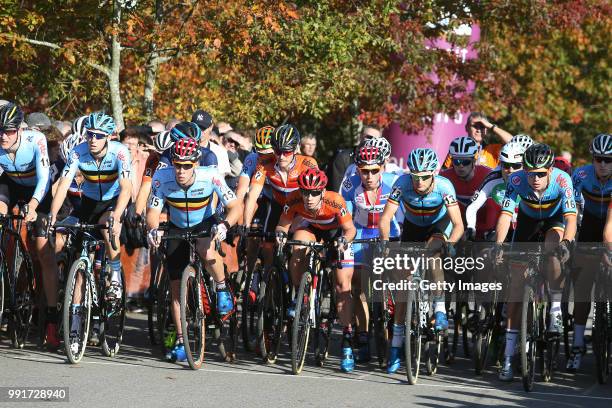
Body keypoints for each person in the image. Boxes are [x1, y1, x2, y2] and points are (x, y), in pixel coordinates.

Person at [146, 138, 241, 362]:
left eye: (186, 166)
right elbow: (152, 211)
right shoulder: (162, 177)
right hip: (176, 225)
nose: (181, 170)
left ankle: (220, 287)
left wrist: (225, 225)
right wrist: (153, 229)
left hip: (204, 222)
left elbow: (235, 206)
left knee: (206, 251)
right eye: (177, 164)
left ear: (196, 164)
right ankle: (181, 339)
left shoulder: (211, 175)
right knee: (176, 285)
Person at [50, 112, 132, 355]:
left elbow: (127, 188)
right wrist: (53, 215)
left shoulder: (120, 152)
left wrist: (117, 215)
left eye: (98, 136)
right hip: (88, 203)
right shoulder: (79, 152)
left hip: (112, 203)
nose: (93, 139)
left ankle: (114, 275)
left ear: (108, 137)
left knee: (108, 227)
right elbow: (64, 185)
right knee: (80, 266)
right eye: (89, 135)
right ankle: (74, 328)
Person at [494, 143, 577, 381]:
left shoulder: (562, 181)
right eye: (531, 173)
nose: (536, 178)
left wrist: (567, 243)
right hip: (528, 224)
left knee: (554, 249)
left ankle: (555, 310)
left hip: (554, 221)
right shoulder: (517, 181)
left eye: (541, 174)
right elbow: (505, 216)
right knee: (515, 290)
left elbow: (571, 218)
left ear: (550, 170)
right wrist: (499, 245)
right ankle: (509, 357)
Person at [379, 148, 463, 374]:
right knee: (403, 286)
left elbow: (458, 224)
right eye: (415, 176)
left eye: (425, 177)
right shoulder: (402, 183)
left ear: (433, 175)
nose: (419, 181)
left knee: (434, 253)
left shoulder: (445, 187)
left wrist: (451, 243)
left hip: (439, 225)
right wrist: (386, 243)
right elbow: (386, 217)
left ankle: (440, 308)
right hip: (413, 227)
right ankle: (396, 345)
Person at [275, 168, 357, 371]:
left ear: (322, 191)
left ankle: (347, 340)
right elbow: (282, 225)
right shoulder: (294, 199)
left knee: (342, 285)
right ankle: (300, 295)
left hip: (336, 233)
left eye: (314, 193)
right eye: (305, 192)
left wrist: (344, 242)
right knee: (297, 245)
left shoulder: (335, 200)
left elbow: (350, 229)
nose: (309, 197)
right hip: (311, 228)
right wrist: (280, 235)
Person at [0, 102, 59, 349]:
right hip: (9, 185)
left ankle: (52, 322)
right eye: (0, 130)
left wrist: (34, 206)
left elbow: (45, 178)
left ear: (20, 130)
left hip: (38, 190)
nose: (3, 135)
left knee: (43, 251)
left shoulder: (36, 140)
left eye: (9, 131)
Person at [340, 145, 401, 363]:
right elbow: (345, 218)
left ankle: (396, 327)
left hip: (389, 232)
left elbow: (402, 216)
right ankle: (363, 336)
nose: (369, 176)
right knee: (358, 284)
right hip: (360, 232)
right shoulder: (349, 185)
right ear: (357, 170)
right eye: (364, 171)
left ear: (382, 168)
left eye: (374, 170)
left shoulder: (395, 183)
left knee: (396, 277)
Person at [243, 124, 318, 274]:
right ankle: (271, 277)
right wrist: (245, 224)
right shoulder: (265, 164)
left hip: (302, 210)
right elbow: (252, 194)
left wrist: (293, 225)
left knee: (297, 246)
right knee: (267, 245)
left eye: (287, 151)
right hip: (278, 207)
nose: (282, 156)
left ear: (296, 149)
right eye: (277, 151)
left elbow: (315, 199)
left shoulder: (308, 164)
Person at [566, 133, 611, 372]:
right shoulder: (581, 175)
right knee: (582, 286)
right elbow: (571, 210)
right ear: (592, 159)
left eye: (608, 160)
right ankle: (578, 342)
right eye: (598, 159)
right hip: (590, 223)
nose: (603, 164)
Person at [465, 142, 527, 240]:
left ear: (524, 166)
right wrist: (470, 227)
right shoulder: (493, 177)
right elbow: (473, 206)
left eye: (516, 166)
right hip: (500, 223)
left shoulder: (532, 177)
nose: (510, 170)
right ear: (500, 164)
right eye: (506, 165)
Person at [441, 136, 491, 231]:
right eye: (457, 161)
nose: (461, 166)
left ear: (474, 161)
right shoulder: (444, 178)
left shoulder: (488, 175)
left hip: (483, 228)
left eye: (466, 162)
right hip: (456, 228)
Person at [443, 112, 513, 169]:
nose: (478, 130)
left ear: (486, 130)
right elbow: (443, 176)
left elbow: (513, 143)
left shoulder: (493, 150)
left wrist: (491, 126)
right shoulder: (457, 148)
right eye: (475, 126)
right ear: (467, 128)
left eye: (482, 127)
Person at [327, 126, 381, 192]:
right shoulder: (343, 158)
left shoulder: (380, 161)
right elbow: (336, 191)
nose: (371, 141)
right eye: (369, 137)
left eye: (376, 139)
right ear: (360, 137)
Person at [191, 110, 231, 177]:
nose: (200, 132)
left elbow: (220, 181)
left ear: (211, 127)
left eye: (203, 128)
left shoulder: (220, 152)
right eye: (196, 128)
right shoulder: (182, 148)